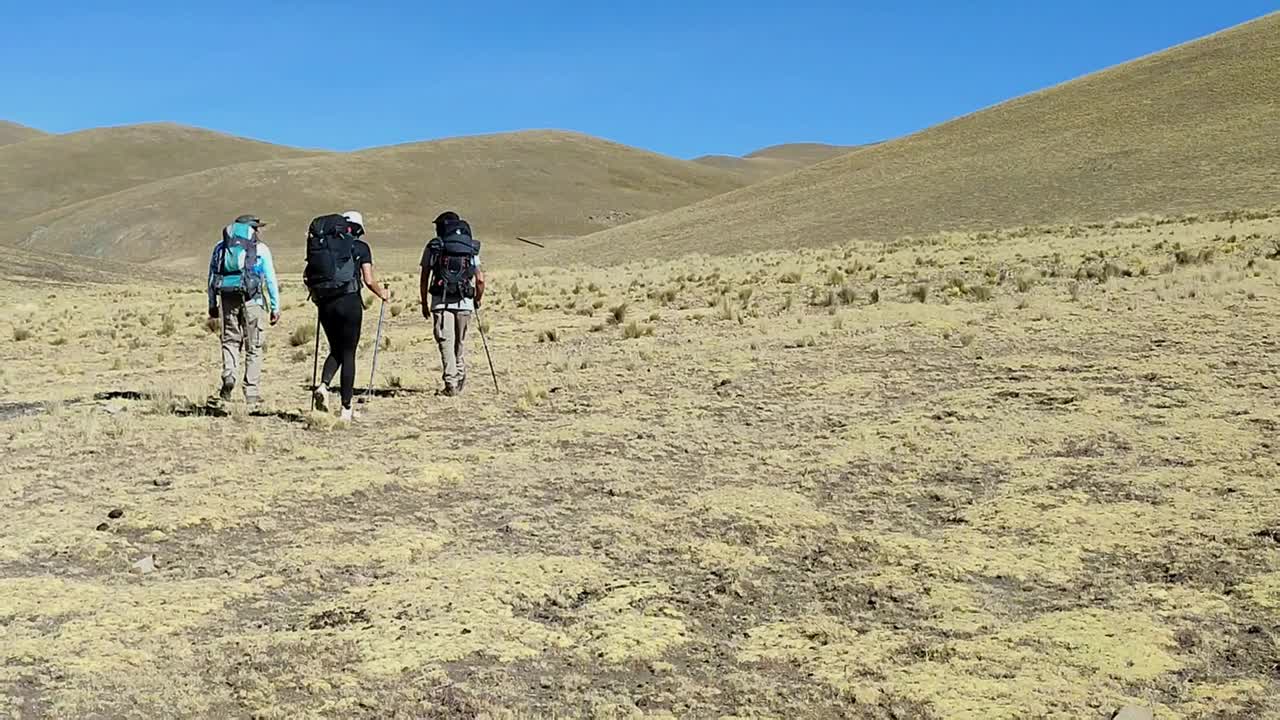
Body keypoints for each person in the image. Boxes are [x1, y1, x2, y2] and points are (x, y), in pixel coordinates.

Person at [310, 210, 390, 422]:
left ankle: (324, 385)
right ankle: (346, 409)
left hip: (326, 302)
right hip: (349, 301)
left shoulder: (324, 245)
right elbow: (369, 280)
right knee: (348, 353)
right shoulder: (361, 248)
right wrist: (383, 293)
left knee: (335, 348)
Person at [208, 214, 280, 405]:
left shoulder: (220, 248)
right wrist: (275, 306)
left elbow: (211, 277)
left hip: (227, 298)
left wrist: (212, 305)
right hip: (253, 300)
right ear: (251, 229)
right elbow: (270, 279)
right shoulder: (261, 249)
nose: (259, 230)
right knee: (254, 345)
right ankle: (251, 392)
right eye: (257, 227)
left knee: (230, 340)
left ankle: (230, 374)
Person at [420, 211, 485, 396]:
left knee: (445, 341)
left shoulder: (434, 246)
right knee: (459, 343)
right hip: (465, 302)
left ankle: (451, 382)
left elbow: (425, 276)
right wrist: (477, 299)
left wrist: (424, 302)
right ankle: (460, 373)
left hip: (441, 302)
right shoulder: (469, 247)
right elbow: (480, 279)